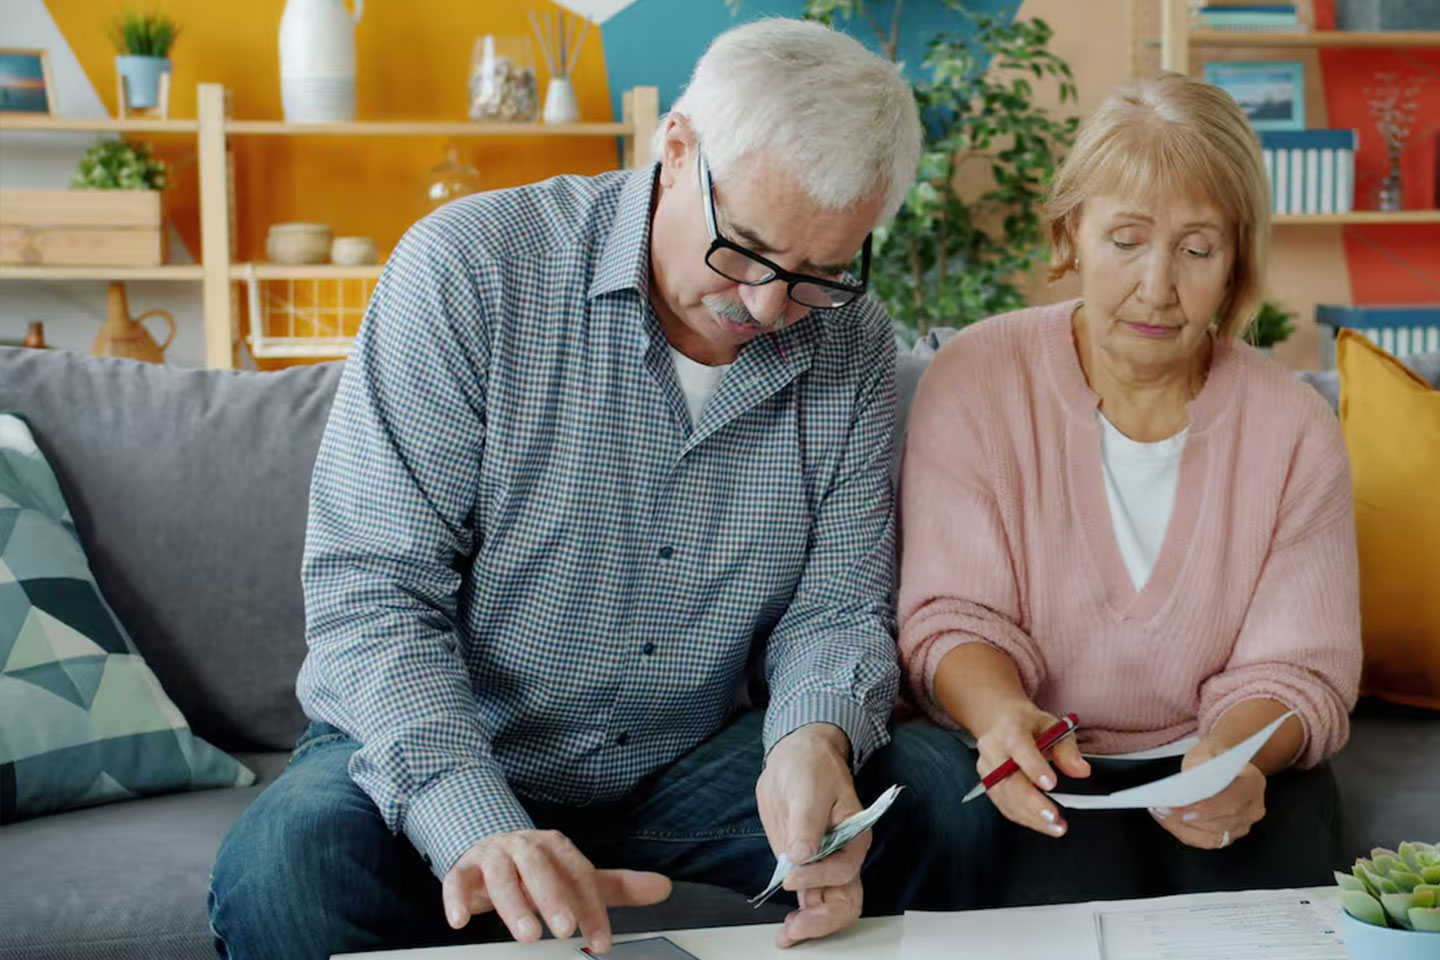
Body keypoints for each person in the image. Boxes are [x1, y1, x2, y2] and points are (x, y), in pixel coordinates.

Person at [210, 18, 990, 960]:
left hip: (685, 761)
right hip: (457, 746)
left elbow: (835, 605)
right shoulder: (469, 270)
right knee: (288, 871)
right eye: (744, 249)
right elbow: (373, 595)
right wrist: (478, 828)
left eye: (820, 272)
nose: (769, 308)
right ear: (676, 149)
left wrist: (813, 740)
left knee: (942, 799)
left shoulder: (853, 344)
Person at [897, 72, 1362, 907]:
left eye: (1196, 249)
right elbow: (949, 617)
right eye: (1126, 240)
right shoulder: (974, 378)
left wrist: (1231, 761)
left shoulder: (1295, 427)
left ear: (1236, 264)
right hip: (1044, 761)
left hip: (1228, 758)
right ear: (1071, 232)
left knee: (1271, 882)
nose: (1157, 286)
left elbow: (1300, 670)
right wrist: (1004, 717)